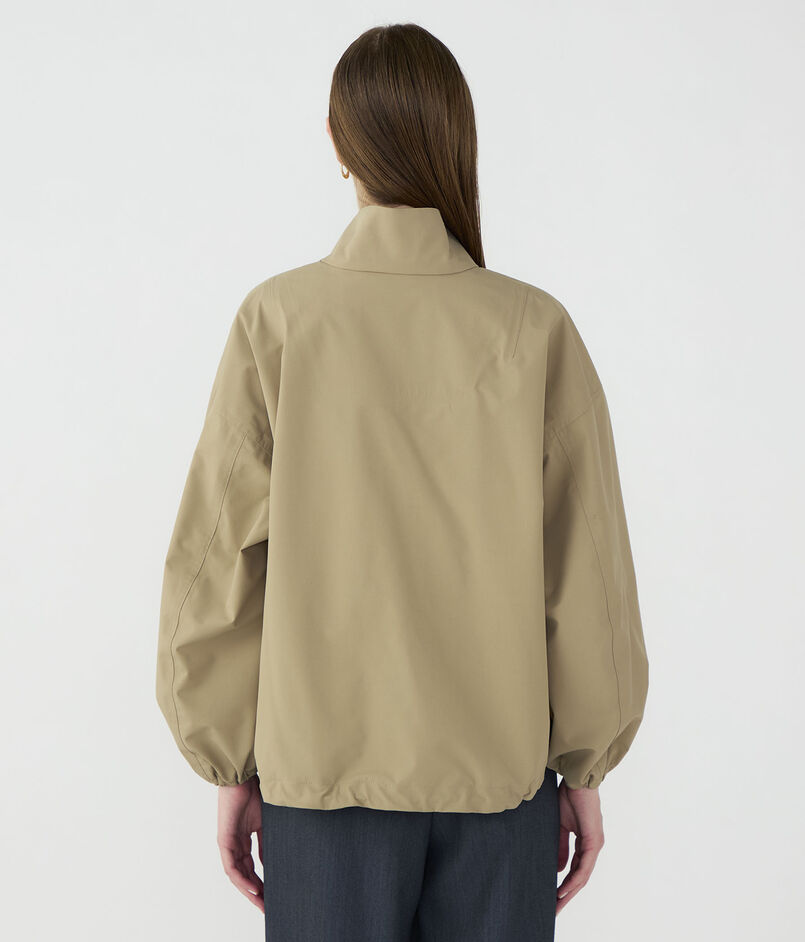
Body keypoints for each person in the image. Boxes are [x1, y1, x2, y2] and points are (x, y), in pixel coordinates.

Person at [155, 22, 649, 942]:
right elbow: (589, 578)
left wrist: (227, 759)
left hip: (321, 788)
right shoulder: (532, 328)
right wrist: (584, 767)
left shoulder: (279, 321)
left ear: (337, 143)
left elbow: (215, 565)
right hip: (498, 790)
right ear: (458, 141)